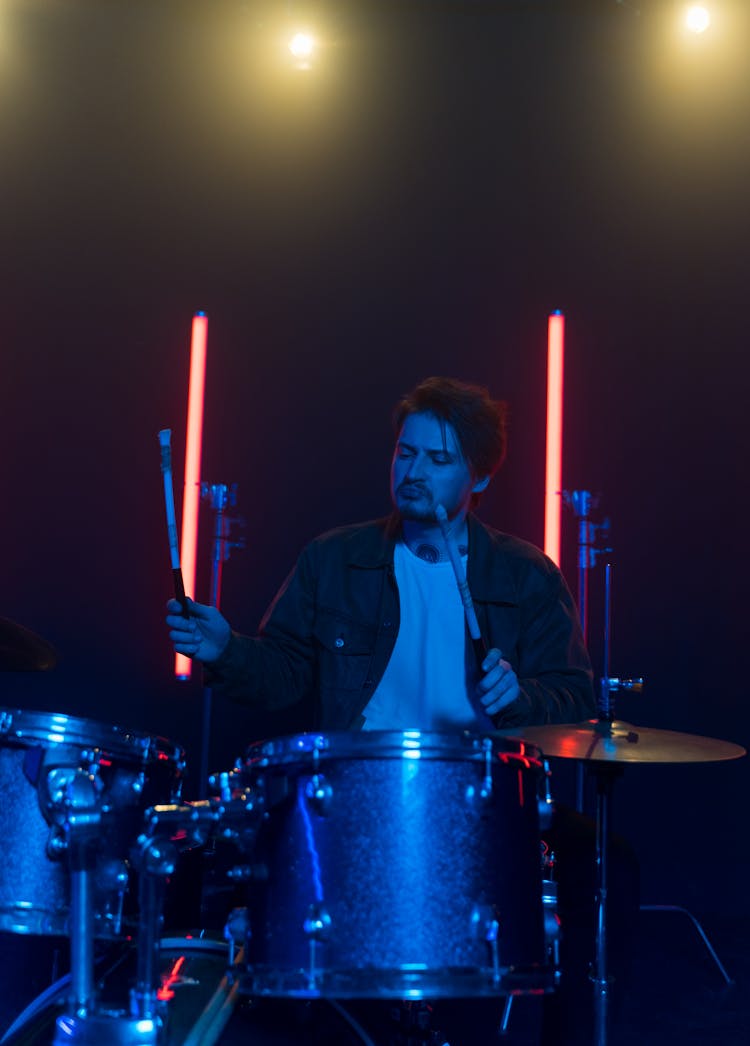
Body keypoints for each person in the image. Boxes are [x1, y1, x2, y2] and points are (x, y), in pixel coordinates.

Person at [167, 376, 594, 731]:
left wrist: (521, 696)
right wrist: (225, 650)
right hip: (358, 783)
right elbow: (285, 675)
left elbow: (576, 699)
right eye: (405, 453)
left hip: (477, 794)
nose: (413, 472)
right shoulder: (334, 558)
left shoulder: (527, 575)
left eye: (438, 459)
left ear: (479, 479)